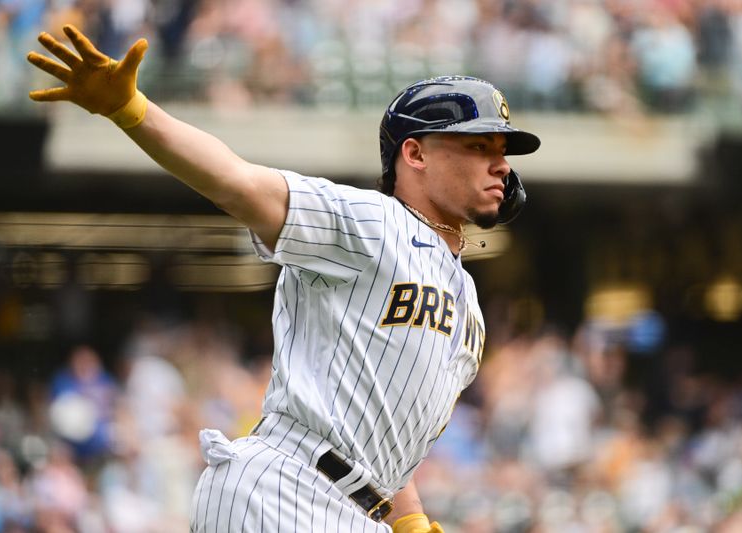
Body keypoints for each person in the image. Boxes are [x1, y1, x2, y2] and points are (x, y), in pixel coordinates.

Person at [27, 25, 540, 533]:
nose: (500, 165)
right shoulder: (373, 221)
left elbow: (381, 428)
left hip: (355, 510)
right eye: (478, 146)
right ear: (416, 154)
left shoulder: (468, 298)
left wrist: (409, 520)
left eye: (502, 151)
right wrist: (133, 110)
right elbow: (238, 183)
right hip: (285, 489)